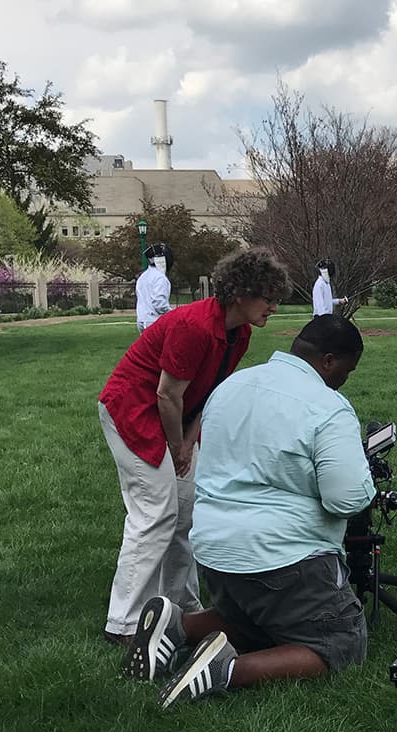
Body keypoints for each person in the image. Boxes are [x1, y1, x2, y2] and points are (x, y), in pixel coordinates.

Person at [123, 315, 375, 707]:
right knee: (341, 641)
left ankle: (178, 627)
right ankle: (223, 670)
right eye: (347, 369)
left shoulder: (231, 387)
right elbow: (346, 499)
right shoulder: (328, 407)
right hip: (282, 558)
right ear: (328, 361)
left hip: (214, 552)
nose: (346, 379)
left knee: (261, 621)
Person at [97, 248, 290, 647]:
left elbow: (208, 394)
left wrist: (187, 443)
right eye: (268, 297)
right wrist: (176, 447)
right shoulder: (195, 326)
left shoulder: (240, 333)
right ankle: (125, 623)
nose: (274, 305)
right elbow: (167, 394)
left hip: (177, 416)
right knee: (156, 511)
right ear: (241, 293)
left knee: (186, 514)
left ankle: (178, 608)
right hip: (133, 409)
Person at [135, 243, 173, 333]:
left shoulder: (143, 276)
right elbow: (159, 303)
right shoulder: (160, 278)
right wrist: (173, 313)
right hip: (154, 321)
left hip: (142, 320)